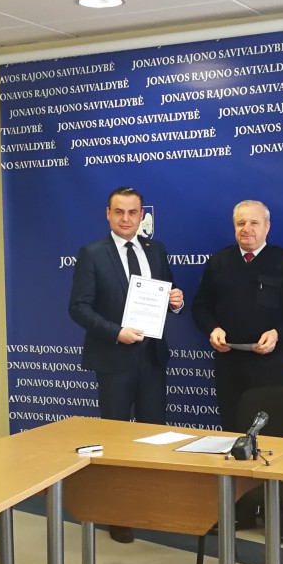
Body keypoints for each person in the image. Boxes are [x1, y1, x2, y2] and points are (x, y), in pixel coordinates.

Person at [68, 186, 183, 543]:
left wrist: (176, 301)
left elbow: (166, 294)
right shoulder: (92, 253)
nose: (126, 219)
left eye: (133, 212)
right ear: (108, 213)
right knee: (115, 436)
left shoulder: (156, 249)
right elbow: (78, 307)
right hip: (113, 356)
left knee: (154, 433)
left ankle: (151, 505)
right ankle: (116, 514)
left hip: (151, 356)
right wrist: (115, 332)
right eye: (119, 211)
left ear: (141, 215)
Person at [192, 200, 283, 433]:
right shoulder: (219, 261)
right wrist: (212, 328)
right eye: (241, 223)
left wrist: (278, 333)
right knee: (232, 430)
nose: (246, 229)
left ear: (267, 227)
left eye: (254, 223)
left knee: (272, 432)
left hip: (270, 365)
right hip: (228, 364)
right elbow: (200, 307)